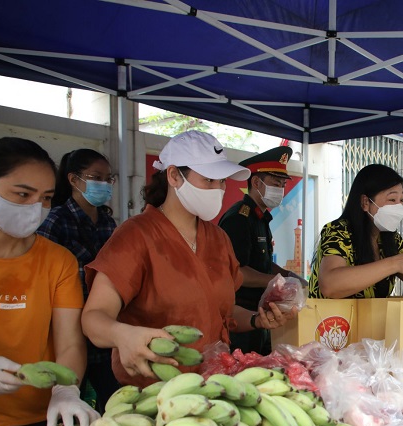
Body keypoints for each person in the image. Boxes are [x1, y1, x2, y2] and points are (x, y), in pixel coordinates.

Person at [81, 131, 291, 388]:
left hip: (213, 387)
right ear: (173, 176)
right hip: (152, 391)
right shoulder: (136, 236)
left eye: (222, 182)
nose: (219, 189)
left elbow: (219, 311)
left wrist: (257, 320)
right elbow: (94, 318)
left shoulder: (218, 238)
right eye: (208, 180)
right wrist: (122, 334)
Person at [0, 137, 98, 426]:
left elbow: (69, 342)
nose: (35, 207)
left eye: (45, 197)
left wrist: (66, 390)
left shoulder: (58, 261)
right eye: (23, 194)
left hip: (40, 420)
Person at [37, 148, 119, 411]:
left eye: (108, 179)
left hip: (106, 327)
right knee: (70, 395)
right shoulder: (56, 221)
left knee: (113, 401)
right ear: (74, 179)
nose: (104, 184)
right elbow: (45, 279)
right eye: (97, 177)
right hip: (68, 326)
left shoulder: (108, 222)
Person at [218, 146, 306, 355]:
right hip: (240, 317)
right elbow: (237, 272)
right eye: (276, 183)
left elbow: (263, 264)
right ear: (256, 182)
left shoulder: (261, 218)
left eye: (283, 185)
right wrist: (277, 281)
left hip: (260, 314)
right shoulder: (239, 219)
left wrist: (290, 276)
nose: (281, 190)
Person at [309, 164, 403, 299]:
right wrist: (396, 263)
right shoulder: (337, 231)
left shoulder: (393, 240)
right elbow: (330, 286)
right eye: (392, 200)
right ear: (365, 202)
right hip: (332, 319)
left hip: (369, 319)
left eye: (401, 200)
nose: (398, 207)